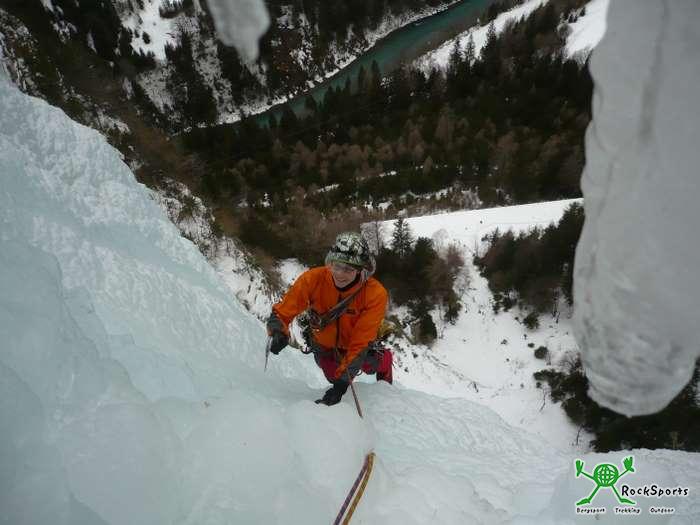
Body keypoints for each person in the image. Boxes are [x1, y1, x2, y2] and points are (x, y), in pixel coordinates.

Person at [267, 231, 393, 406]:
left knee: (367, 366)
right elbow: (285, 309)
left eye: (348, 269)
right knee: (333, 375)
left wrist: (342, 385)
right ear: (330, 262)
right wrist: (278, 330)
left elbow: (361, 342)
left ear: (360, 269)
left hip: (355, 345)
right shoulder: (314, 279)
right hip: (324, 343)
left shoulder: (374, 294)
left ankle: (385, 362)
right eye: (336, 266)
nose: (340, 274)